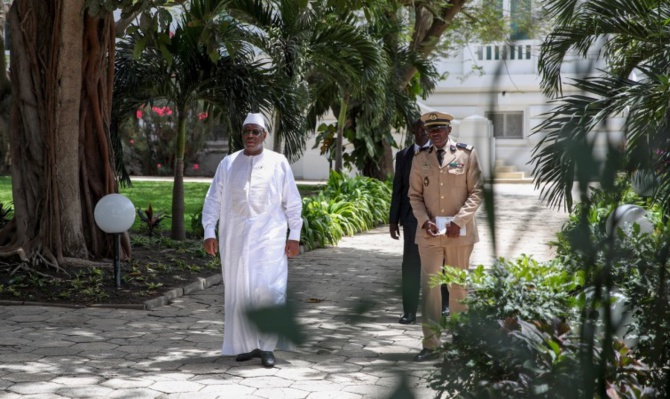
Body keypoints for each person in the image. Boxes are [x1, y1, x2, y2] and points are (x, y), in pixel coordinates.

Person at [201, 112, 303, 368]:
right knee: (241, 292)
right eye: (246, 130)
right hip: (235, 240)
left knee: (268, 291)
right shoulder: (228, 163)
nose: (250, 135)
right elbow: (213, 199)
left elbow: (292, 202)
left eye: (255, 131)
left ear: (264, 135)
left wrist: (295, 236)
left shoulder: (278, 162)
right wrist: (209, 231)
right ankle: (248, 346)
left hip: (270, 239)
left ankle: (267, 347)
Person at [408, 111, 483, 361]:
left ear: (449, 130)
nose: (436, 134)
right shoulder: (420, 159)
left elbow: (477, 192)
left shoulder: (466, 154)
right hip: (429, 235)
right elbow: (415, 196)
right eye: (431, 130)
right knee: (430, 289)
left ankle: (460, 343)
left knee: (458, 288)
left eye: (440, 129)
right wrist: (423, 221)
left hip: (458, 235)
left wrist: (458, 221)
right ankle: (431, 345)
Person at [389, 119, 450, 325]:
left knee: (441, 262)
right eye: (421, 129)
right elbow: (398, 189)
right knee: (411, 265)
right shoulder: (404, 156)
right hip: (412, 219)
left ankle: (444, 306)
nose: (425, 132)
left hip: (437, 217)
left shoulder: (442, 153)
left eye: (429, 129)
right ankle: (409, 311)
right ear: (413, 131)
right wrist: (393, 220)